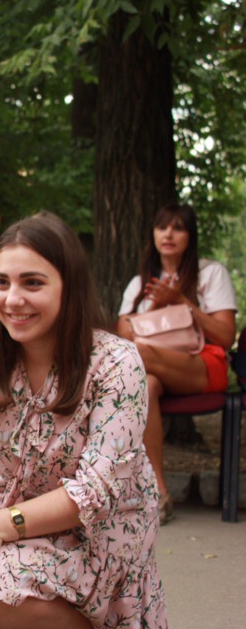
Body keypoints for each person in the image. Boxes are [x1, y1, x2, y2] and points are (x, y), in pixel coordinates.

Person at [0, 213, 167, 628]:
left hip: (97, 532)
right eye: (2, 282)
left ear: (68, 286)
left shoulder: (115, 361)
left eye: (32, 283)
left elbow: (95, 493)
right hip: (14, 504)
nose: (12, 299)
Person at [117, 204, 236, 523]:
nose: (168, 234)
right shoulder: (139, 282)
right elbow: (123, 334)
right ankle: (158, 491)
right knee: (147, 384)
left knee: (133, 357)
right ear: (153, 234)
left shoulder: (212, 273)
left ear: (190, 235)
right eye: (162, 227)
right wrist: (156, 304)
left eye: (178, 227)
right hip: (154, 369)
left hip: (202, 364)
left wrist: (182, 303)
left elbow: (225, 336)